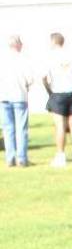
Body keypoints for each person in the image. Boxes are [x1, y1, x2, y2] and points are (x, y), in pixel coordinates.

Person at [43, 32, 72, 167]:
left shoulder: (50, 57)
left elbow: (44, 77)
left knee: (60, 125)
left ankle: (61, 156)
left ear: (54, 42)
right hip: (71, 92)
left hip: (58, 92)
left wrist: (49, 90)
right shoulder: (71, 55)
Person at [1, 35, 32, 167]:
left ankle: (10, 158)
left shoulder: (2, 59)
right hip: (19, 96)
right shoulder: (23, 60)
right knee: (21, 128)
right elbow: (30, 79)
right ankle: (21, 158)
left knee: (8, 129)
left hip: (3, 97)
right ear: (18, 45)